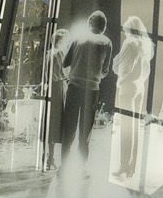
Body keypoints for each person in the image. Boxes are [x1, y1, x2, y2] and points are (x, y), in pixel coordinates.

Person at [56, 11, 115, 175]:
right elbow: (105, 71)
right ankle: (81, 169)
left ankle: (64, 168)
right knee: (85, 134)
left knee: (69, 131)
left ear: (89, 23)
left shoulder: (77, 38)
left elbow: (65, 62)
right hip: (92, 90)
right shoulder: (106, 42)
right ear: (103, 27)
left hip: (74, 88)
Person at [111, 15, 154, 183]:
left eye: (126, 29)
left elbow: (122, 67)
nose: (124, 32)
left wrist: (120, 80)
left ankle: (123, 165)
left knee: (126, 128)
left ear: (129, 29)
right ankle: (131, 168)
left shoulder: (129, 43)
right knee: (135, 127)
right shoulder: (146, 44)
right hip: (140, 87)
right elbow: (146, 69)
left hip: (128, 87)